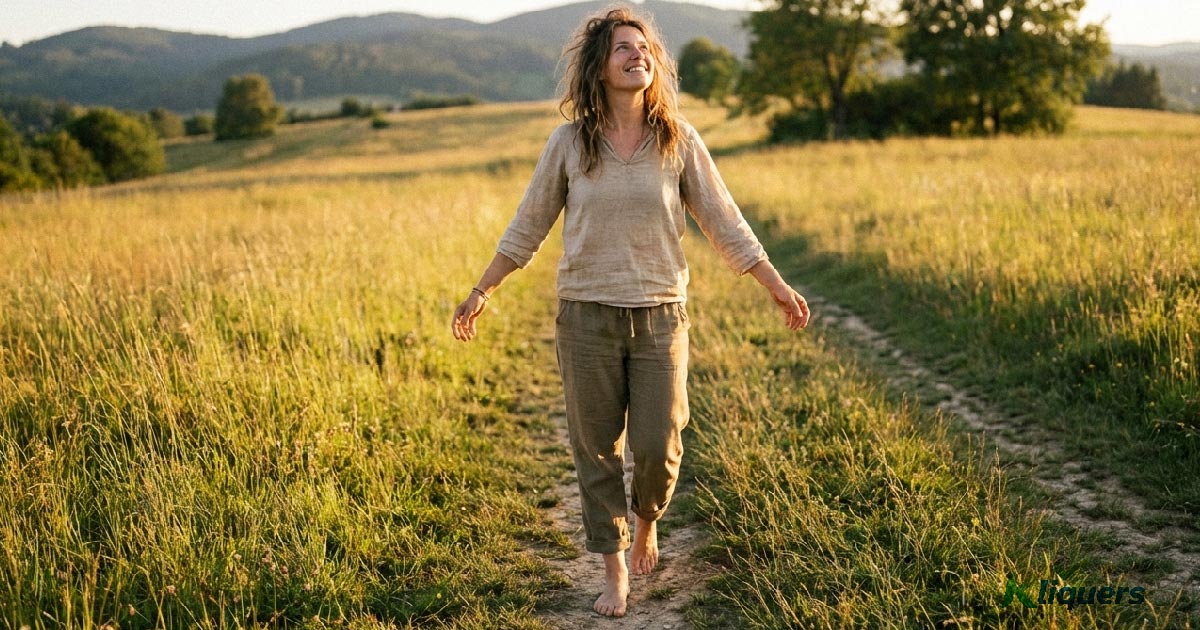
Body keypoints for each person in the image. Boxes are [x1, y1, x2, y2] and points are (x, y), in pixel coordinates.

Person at [451, 6, 809, 618]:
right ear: (599, 65)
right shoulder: (569, 142)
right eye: (622, 47)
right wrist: (482, 290)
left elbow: (724, 221)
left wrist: (773, 283)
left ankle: (646, 521)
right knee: (594, 448)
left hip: (661, 315)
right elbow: (527, 226)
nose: (636, 54)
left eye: (643, 47)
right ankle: (613, 567)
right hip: (586, 316)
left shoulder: (677, 139)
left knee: (658, 442)